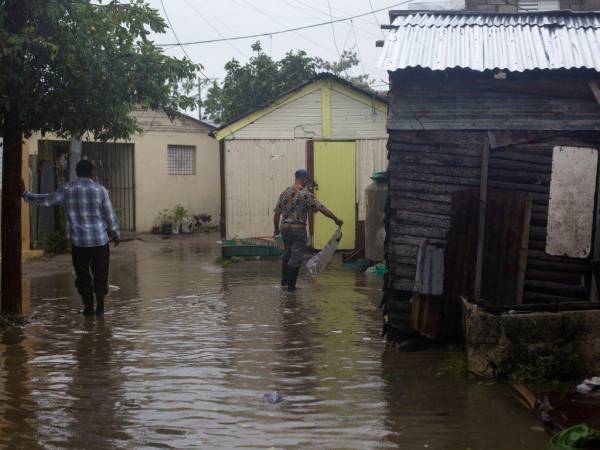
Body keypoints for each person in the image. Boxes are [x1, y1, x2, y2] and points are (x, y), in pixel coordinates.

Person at [20, 160, 120, 316]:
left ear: (77, 172)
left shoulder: (67, 189)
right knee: (101, 275)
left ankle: (88, 308)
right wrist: (115, 233)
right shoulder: (101, 190)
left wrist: (25, 194)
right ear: (92, 173)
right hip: (100, 242)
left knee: (82, 277)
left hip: (79, 243)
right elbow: (109, 215)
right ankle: (100, 308)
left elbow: (47, 200)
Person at [274, 169, 343, 292]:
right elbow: (322, 209)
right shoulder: (305, 194)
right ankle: (291, 288)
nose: (307, 183)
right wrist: (336, 219)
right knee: (296, 257)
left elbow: (277, 213)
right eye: (307, 180)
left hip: (284, 228)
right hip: (298, 229)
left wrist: (276, 230)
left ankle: (283, 283)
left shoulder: (284, 192)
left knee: (288, 254)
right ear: (304, 179)